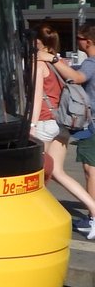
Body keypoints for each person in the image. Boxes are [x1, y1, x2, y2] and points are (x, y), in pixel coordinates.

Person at [31, 24, 95, 239]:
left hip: (43, 124)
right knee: (57, 171)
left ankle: (39, 218)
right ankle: (93, 207)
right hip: (62, 123)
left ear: (38, 42)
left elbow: (37, 97)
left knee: (36, 173)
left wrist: (30, 126)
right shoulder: (62, 63)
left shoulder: (39, 62)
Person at [51, 21, 95, 234]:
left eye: (78, 38)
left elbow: (77, 77)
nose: (76, 41)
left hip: (93, 123)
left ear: (88, 41)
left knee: (90, 170)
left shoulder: (91, 62)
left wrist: (52, 59)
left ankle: (94, 218)